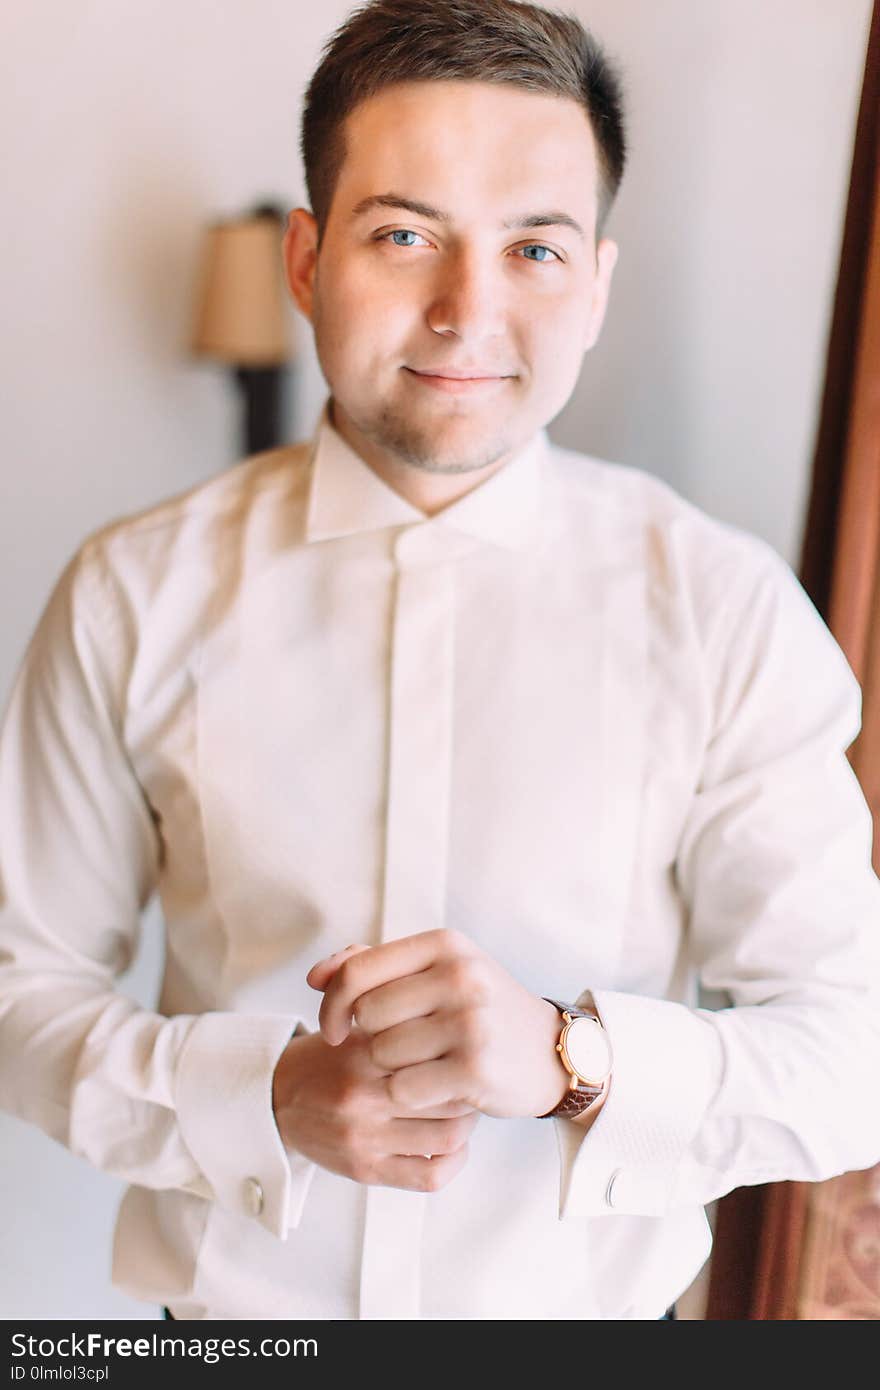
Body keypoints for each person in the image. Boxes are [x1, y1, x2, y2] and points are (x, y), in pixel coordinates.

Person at [1, 0, 879, 1323]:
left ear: (595, 285)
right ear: (305, 261)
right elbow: (22, 983)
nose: (467, 310)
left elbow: (850, 1054)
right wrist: (263, 1096)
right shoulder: (131, 595)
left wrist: (576, 1059)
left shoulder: (726, 614)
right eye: (404, 234)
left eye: (534, 246)